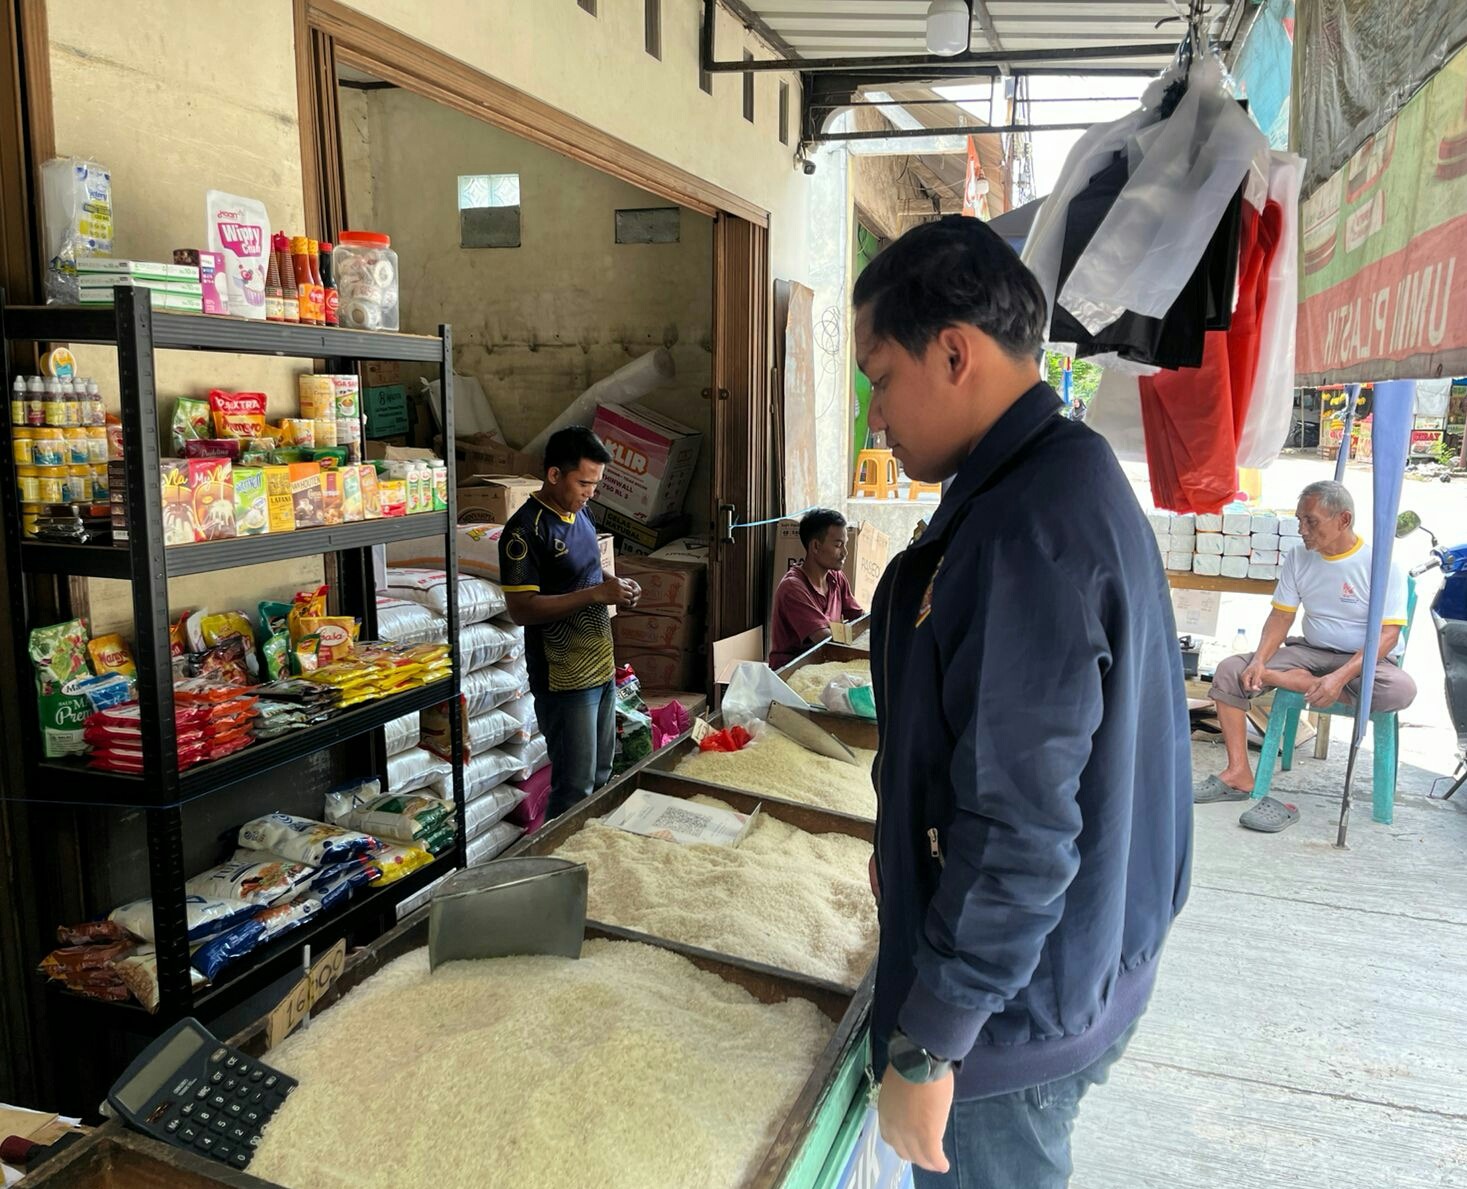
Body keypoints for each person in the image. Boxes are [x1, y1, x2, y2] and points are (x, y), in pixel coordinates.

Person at [853, 215, 1192, 1188]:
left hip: (1009, 1025)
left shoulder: (1023, 533)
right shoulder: (1065, 470)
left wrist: (933, 1040)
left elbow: (1020, 828)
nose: (876, 416)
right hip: (1081, 964)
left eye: (881, 377)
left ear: (953, 353)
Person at [1197, 479, 1417, 831]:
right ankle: (1239, 772)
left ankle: (1290, 681)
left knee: (1400, 690)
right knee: (1230, 670)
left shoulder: (1381, 564)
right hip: (1310, 651)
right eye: (1300, 520)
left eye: (1311, 521)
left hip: (1364, 659)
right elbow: (1282, 615)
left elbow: (1388, 635)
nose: (1302, 529)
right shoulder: (1299, 556)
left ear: (1344, 520)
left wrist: (1339, 677)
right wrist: (1259, 660)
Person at [501, 426, 641, 820]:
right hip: (563, 676)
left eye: (596, 484)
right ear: (553, 474)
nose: (590, 493)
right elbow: (522, 609)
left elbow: (589, 571)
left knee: (601, 773)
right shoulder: (524, 531)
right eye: (584, 483)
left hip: (598, 663)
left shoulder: (582, 513)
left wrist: (616, 585)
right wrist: (596, 594)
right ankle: (558, 853)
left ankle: (590, 847)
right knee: (574, 786)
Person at [768, 508, 865, 668]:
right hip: (792, 673)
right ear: (815, 546)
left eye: (845, 544)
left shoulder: (836, 578)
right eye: (838, 545)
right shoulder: (792, 588)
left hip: (825, 664)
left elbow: (860, 619)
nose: (845, 553)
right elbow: (825, 641)